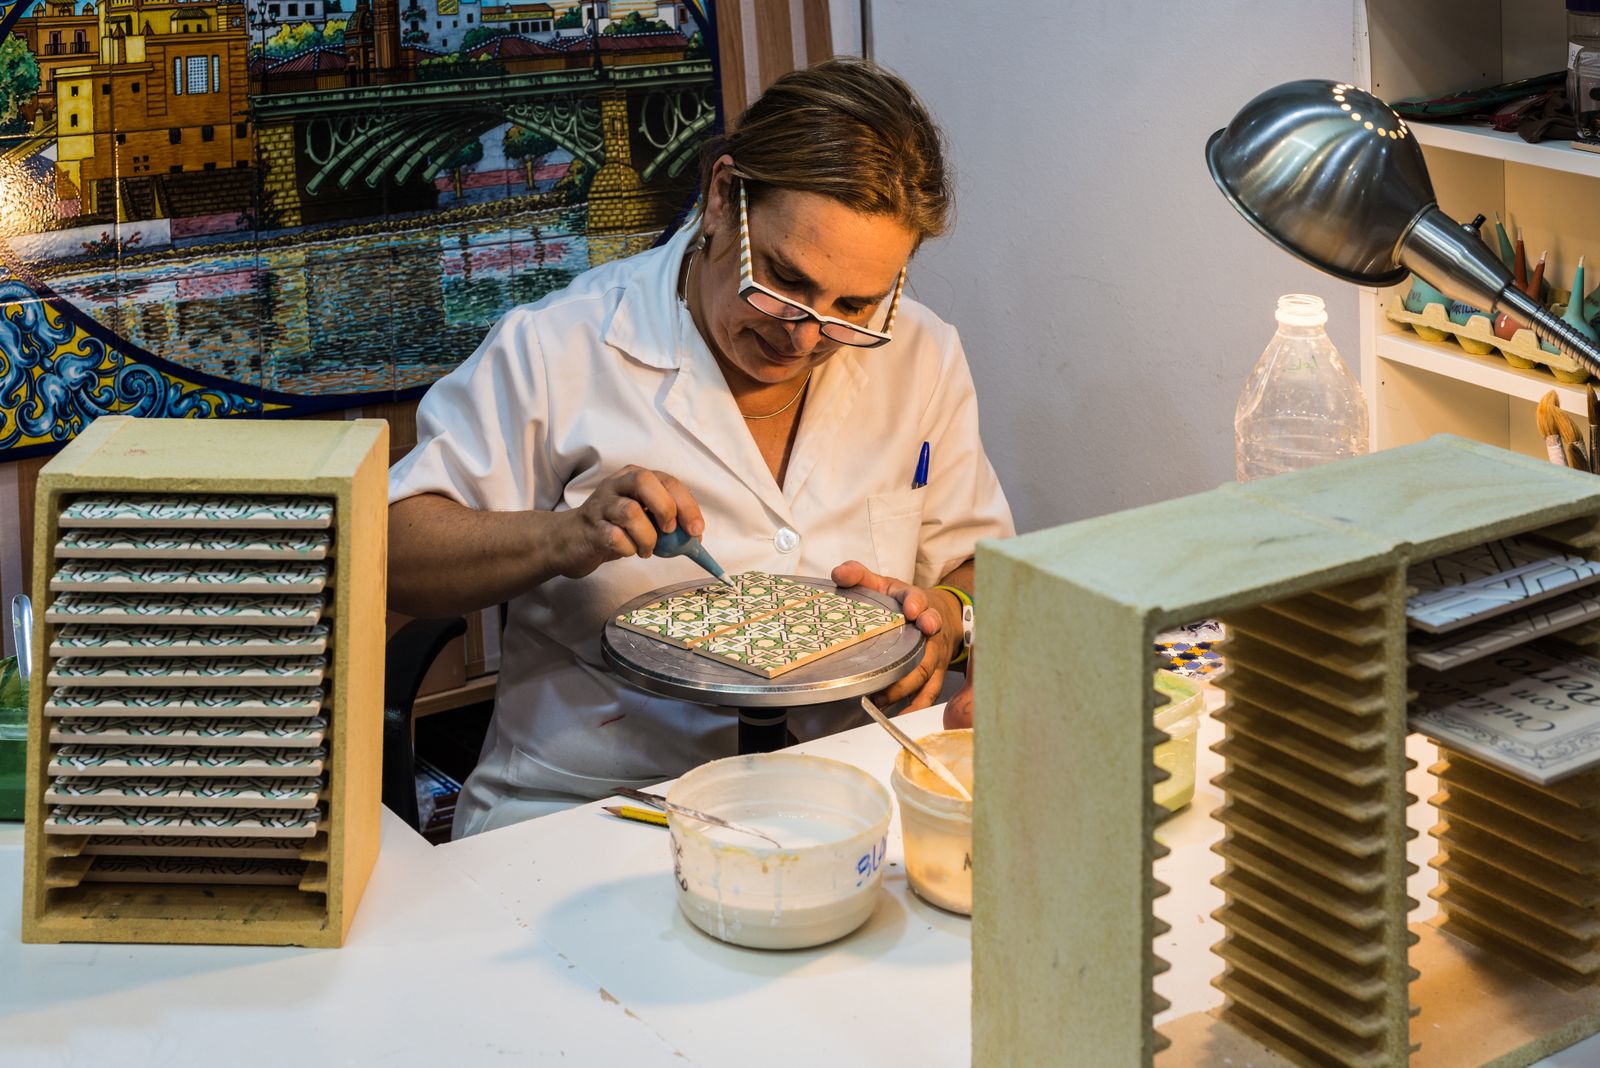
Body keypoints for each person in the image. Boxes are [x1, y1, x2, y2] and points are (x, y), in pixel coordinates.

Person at [387, 57, 1013, 837]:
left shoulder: (921, 353)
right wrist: (563, 536)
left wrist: (948, 620)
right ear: (723, 197)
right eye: (783, 278)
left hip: (846, 792)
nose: (805, 332)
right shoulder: (562, 346)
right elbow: (392, 552)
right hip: (598, 809)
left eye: (853, 305)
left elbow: (986, 567)